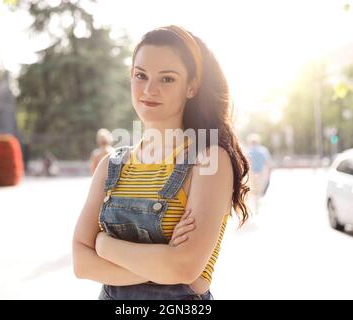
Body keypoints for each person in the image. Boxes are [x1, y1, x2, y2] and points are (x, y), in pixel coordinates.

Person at [72, 25, 250, 300]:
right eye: (140, 75)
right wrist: (163, 265)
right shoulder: (112, 164)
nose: (149, 89)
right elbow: (81, 263)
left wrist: (105, 246)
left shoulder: (209, 159)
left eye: (167, 79)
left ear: (191, 86)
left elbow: (185, 267)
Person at [246, 133, 272, 215]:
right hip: (261, 173)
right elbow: (268, 163)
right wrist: (268, 174)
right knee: (259, 190)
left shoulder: (248, 151)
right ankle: (257, 203)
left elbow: (246, 163)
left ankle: (255, 204)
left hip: (252, 173)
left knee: (253, 190)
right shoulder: (263, 150)